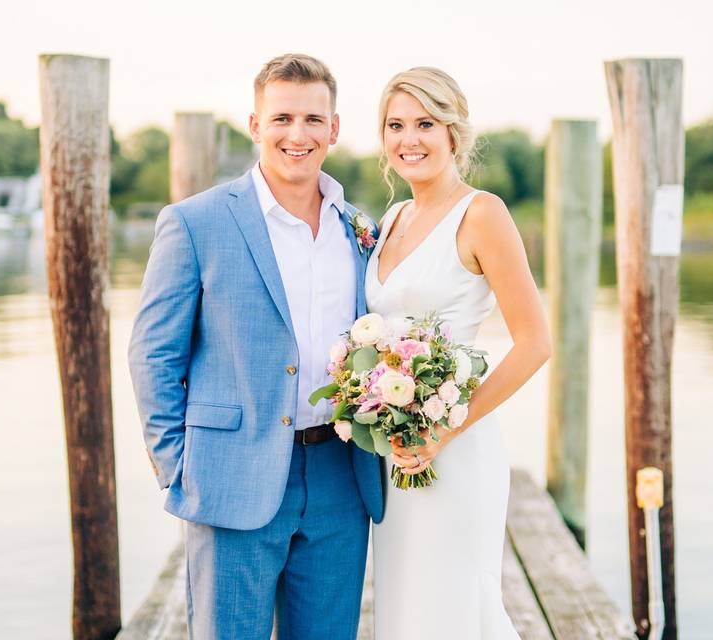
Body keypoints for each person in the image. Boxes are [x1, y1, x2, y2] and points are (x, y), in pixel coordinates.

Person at [128, 53, 384, 640]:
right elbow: (153, 355)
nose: (298, 135)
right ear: (255, 124)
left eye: (314, 120)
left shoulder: (360, 229)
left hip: (340, 479)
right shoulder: (195, 222)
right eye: (282, 118)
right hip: (231, 473)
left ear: (335, 129)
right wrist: (177, 467)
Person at [367, 67, 551, 639]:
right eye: (395, 125)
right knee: (405, 606)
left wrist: (445, 430)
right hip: (395, 449)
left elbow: (535, 343)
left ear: (453, 131)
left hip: (454, 447)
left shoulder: (482, 214)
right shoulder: (393, 218)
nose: (409, 139)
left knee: (453, 607)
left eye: (425, 122)